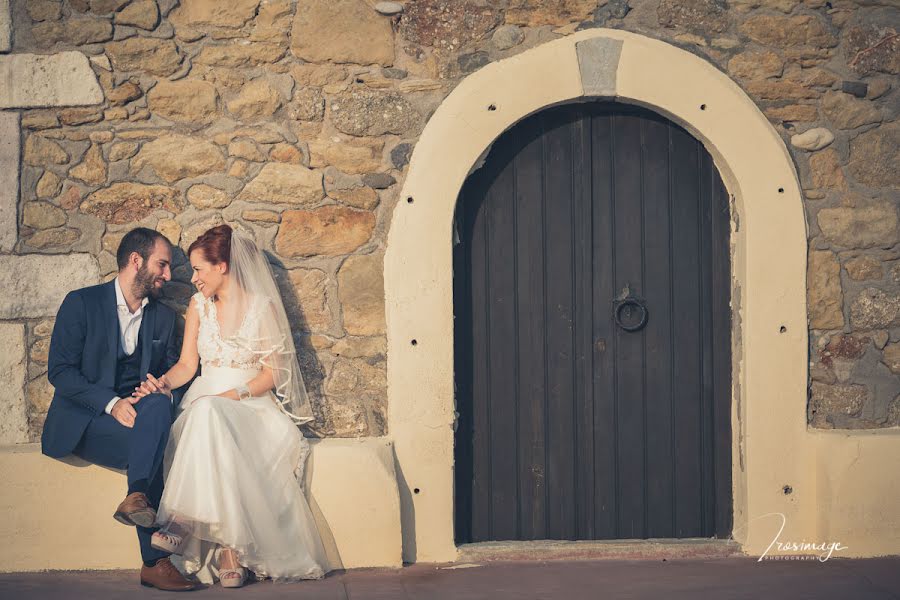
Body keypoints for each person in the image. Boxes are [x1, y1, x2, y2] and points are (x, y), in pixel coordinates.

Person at [133, 224, 328, 588]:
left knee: (209, 413)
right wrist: (161, 385)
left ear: (222, 266)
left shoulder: (262, 308)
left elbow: (275, 373)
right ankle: (230, 550)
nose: (193, 279)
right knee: (207, 417)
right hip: (206, 401)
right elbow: (188, 365)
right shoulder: (198, 306)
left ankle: (182, 521)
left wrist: (231, 396)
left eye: (199, 269)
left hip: (251, 404)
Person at [41, 227, 197, 591]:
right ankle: (155, 562)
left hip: (139, 421)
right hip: (86, 422)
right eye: (162, 265)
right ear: (135, 261)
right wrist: (112, 404)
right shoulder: (81, 303)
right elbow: (60, 372)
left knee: (159, 405)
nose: (168, 275)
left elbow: (176, 370)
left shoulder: (161, 317)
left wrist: (159, 388)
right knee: (154, 448)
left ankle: (136, 496)